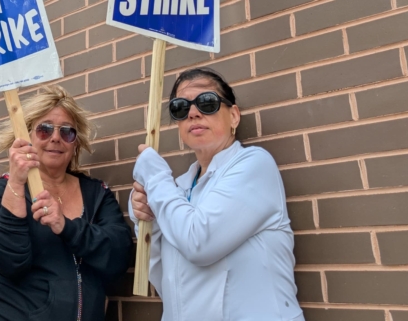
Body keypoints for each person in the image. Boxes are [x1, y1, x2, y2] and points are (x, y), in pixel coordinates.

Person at [129, 68, 305, 321]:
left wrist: (156, 179)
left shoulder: (254, 165)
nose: (193, 113)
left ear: (233, 116)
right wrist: (147, 219)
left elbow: (199, 243)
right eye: (180, 107)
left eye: (207, 102)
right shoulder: (178, 189)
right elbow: (162, 278)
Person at [0, 85, 132, 321]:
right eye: (44, 130)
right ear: (27, 136)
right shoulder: (3, 190)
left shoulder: (96, 193)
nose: (56, 138)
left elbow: (118, 258)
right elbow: (7, 264)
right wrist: (17, 185)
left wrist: (67, 227)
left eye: (67, 132)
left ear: (75, 143)